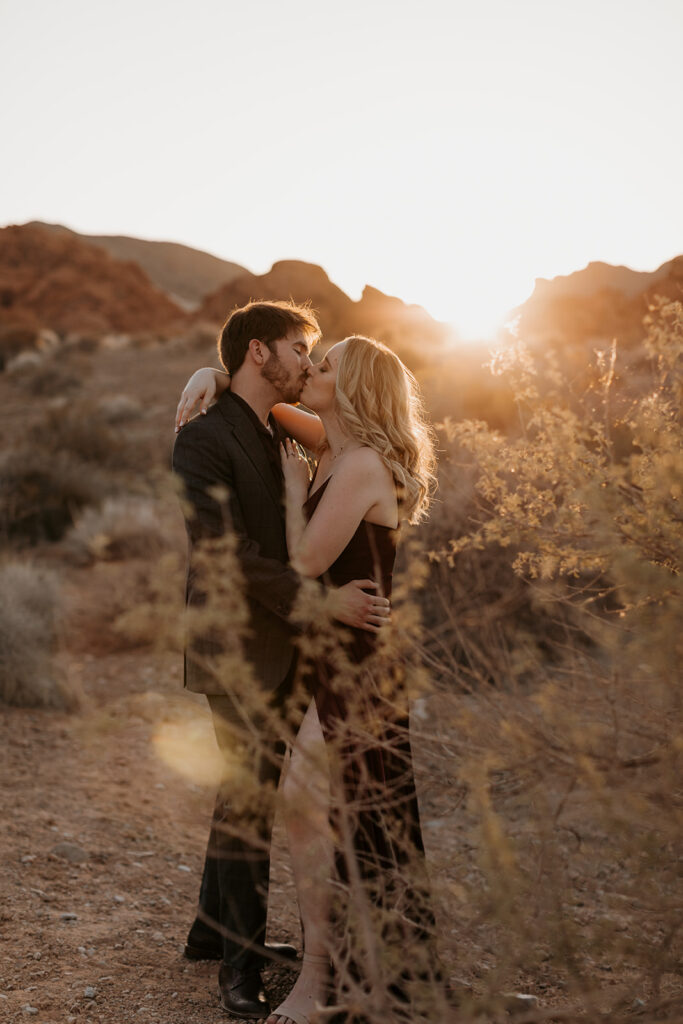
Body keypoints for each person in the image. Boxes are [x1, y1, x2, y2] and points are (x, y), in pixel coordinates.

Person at [178, 334, 443, 1024]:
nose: (308, 371)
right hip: (331, 654)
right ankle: (343, 970)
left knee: (317, 808)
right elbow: (258, 402)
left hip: (357, 664)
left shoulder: (357, 465)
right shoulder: (333, 441)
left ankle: (322, 979)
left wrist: (294, 487)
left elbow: (303, 561)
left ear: (350, 385)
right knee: (334, 815)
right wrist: (211, 371)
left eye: (322, 366)